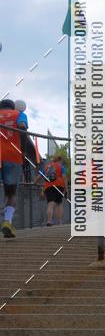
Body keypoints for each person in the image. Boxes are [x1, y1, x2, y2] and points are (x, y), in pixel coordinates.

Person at [0, 98, 28, 238]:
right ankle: (7, 221)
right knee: (10, 192)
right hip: (12, 155)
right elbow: (22, 127)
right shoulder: (19, 114)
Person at [39, 156, 67, 226]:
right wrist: (66, 189)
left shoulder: (47, 167)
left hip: (48, 187)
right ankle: (59, 222)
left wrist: (35, 182)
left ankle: (49, 221)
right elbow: (64, 177)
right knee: (59, 204)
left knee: (50, 204)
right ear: (59, 160)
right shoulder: (61, 167)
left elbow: (39, 176)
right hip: (59, 185)